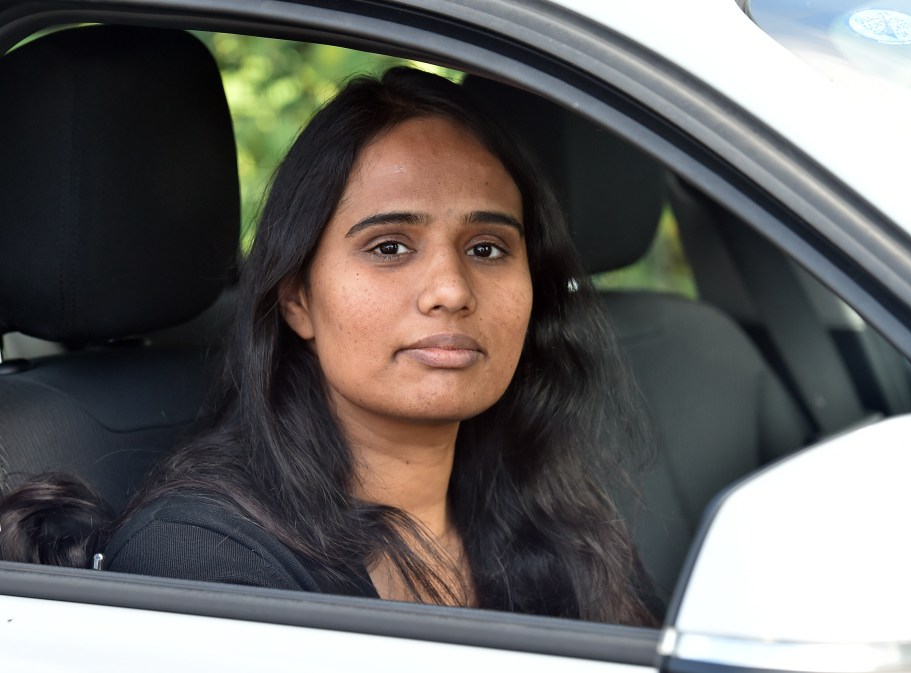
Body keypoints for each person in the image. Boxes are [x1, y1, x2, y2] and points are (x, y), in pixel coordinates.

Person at [0, 67, 658, 625]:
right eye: (389, 246)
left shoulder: (554, 517)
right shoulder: (202, 562)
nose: (451, 290)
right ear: (298, 298)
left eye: (487, 248)